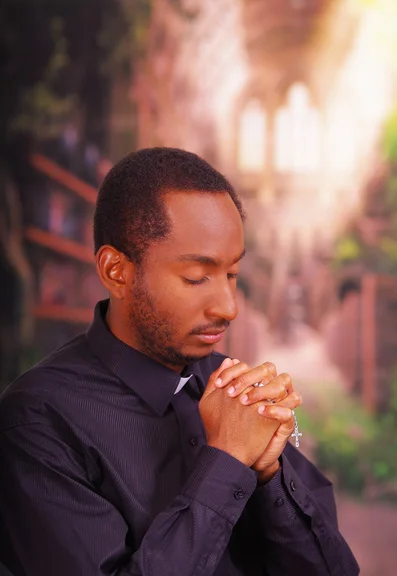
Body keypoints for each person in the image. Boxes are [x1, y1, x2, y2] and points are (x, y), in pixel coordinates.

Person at [0, 148, 359, 576]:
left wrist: (268, 473)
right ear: (117, 271)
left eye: (232, 275)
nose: (228, 307)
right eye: (196, 277)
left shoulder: (227, 382)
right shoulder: (36, 423)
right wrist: (226, 461)